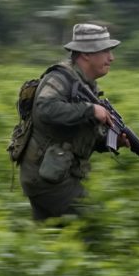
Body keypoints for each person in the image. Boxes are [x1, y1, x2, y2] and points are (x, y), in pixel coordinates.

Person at [18, 23, 127, 221]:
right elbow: (45, 109)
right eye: (105, 51)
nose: (112, 58)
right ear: (86, 54)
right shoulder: (60, 78)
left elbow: (80, 135)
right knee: (91, 225)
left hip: (54, 174)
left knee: (50, 239)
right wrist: (91, 109)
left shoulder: (86, 84)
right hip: (47, 177)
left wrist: (112, 142)